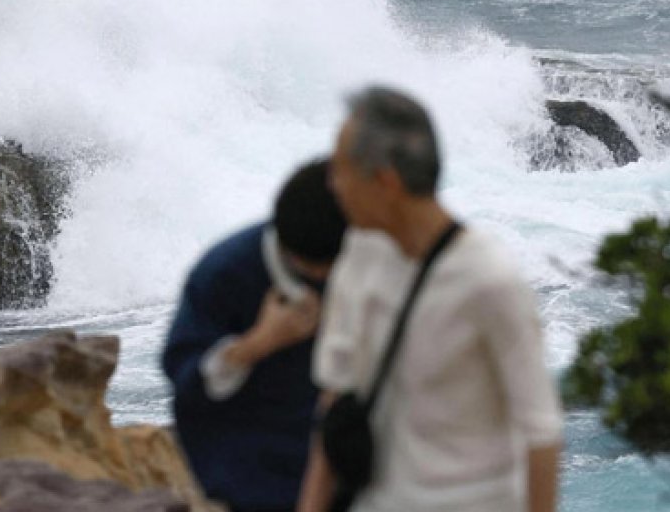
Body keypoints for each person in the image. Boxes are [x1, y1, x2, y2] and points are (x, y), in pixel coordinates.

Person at [299, 86, 563, 512]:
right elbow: (334, 404)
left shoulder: (488, 280)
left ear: (385, 181)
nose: (333, 185)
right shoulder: (360, 255)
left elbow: (541, 432)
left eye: (341, 169)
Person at [162, 159, 348, 512]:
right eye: (319, 272)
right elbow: (187, 385)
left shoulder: (367, 255)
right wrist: (259, 343)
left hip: (350, 471)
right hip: (249, 477)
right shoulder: (225, 273)